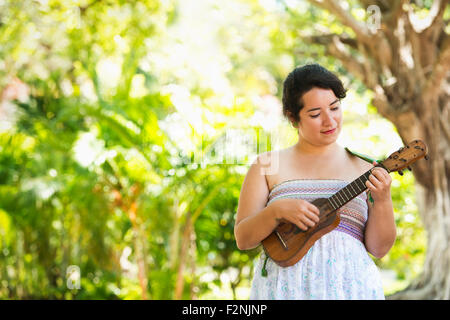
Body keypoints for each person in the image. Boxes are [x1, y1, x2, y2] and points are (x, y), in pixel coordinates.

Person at [234, 63, 396, 300]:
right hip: (285, 289)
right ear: (293, 118)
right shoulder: (267, 165)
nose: (329, 121)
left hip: (349, 287)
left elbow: (379, 249)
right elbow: (243, 238)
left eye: (334, 108)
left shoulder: (365, 168)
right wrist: (275, 212)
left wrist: (382, 199)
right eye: (315, 114)